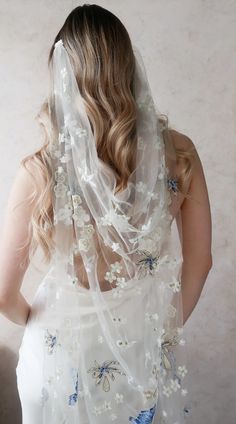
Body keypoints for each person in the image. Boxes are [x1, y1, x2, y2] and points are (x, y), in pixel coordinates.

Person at [0, 4, 212, 424]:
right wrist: (163, 331)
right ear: (128, 67)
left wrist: (42, 326)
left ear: (63, 75)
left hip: (59, 358)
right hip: (140, 350)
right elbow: (201, 263)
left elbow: (3, 293)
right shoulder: (181, 154)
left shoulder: (39, 170)